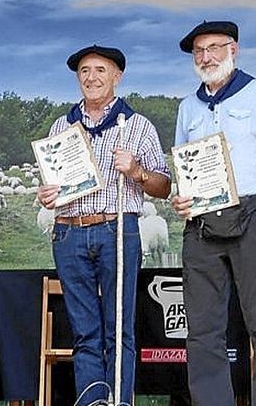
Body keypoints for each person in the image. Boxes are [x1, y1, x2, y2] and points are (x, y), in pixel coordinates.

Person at [171, 21, 256, 406]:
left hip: (255, 215)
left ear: (233, 49)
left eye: (213, 47)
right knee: (203, 328)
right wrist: (180, 198)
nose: (206, 57)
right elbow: (182, 168)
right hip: (202, 225)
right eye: (198, 51)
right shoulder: (187, 107)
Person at [35, 45, 171, 405]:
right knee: (83, 329)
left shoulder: (138, 126)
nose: (91, 78)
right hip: (68, 229)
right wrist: (46, 195)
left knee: (119, 327)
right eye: (84, 71)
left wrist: (138, 171)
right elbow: (54, 184)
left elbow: (164, 186)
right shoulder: (61, 126)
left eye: (100, 70)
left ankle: (120, 400)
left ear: (117, 76)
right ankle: (93, 400)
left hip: (117, 228)